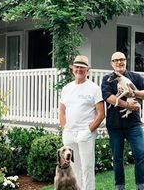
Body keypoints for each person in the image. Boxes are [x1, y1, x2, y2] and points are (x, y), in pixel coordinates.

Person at [101, 52, 144, 190]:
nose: (119, 62)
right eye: (116, 60)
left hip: (133, 124)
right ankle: (120, 186)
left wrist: (134, 93)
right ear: (111, 63)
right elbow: (108, 97)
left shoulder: (135, 77)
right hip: (114, 125)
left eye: (122, 59)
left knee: (140, 153)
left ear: (126, 61)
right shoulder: (107, 79)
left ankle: (141, 186)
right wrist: (128, 105)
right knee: (117, 158)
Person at [59, 55, 105, 190]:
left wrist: (89, 130)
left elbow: (101, 113)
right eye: (76, 67)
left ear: (87, 70)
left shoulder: (94, 88)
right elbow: (62, 110)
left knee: (87, 168)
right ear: (72, 69)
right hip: (69, 133)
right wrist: (64, 127)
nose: (79, 69)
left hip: (85, 133)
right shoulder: (67, 88)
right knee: (74, 168)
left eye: (82, 67)